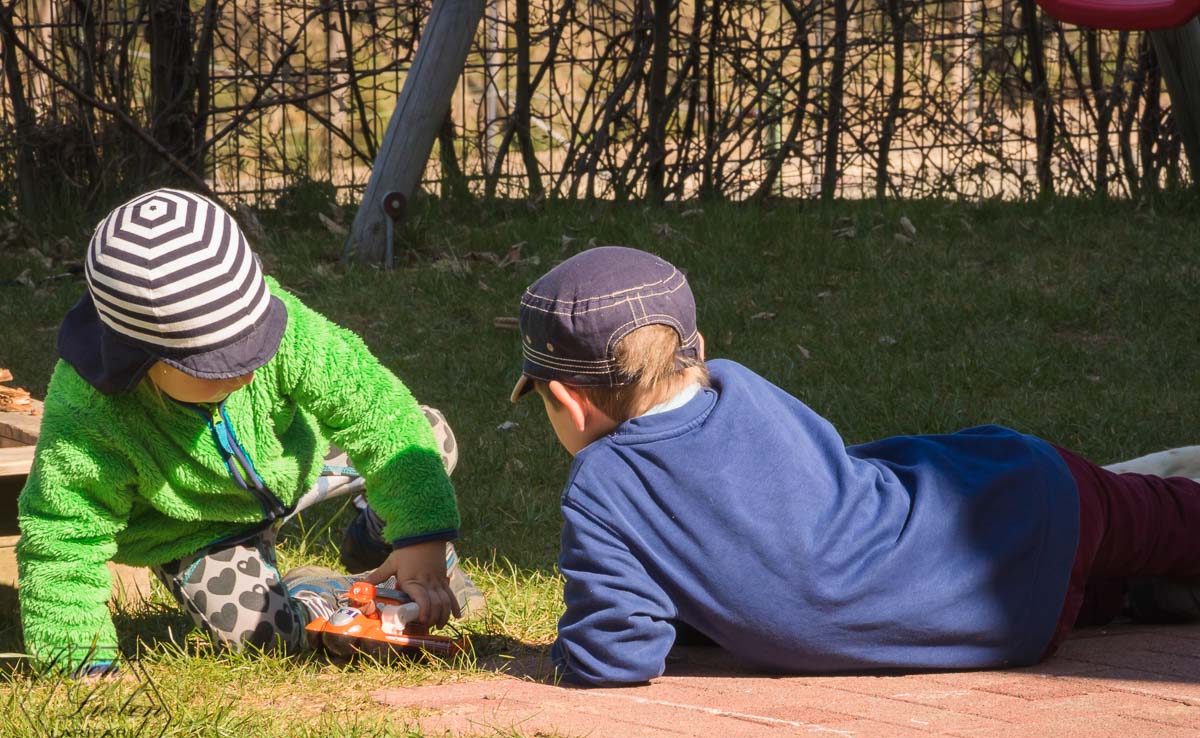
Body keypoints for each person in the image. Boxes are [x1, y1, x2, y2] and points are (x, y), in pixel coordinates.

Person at [508, 246, 1200, 687]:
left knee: (1111, 555)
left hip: (1005, 622)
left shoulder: (603, 487)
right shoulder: (737, 388)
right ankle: (1147, 580)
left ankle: (1142, 589)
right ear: (698, 349)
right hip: (1023, 509)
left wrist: (558, 659)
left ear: (567, 399)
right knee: (1156, 522)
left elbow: (617, 653)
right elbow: (811, 499)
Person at [17, 188, 482, 675]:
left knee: (425, 438)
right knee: (262, 636)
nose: (249, 369)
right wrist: (81, 663)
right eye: (221, 365)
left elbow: (377, 408)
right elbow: (62, 537)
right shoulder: (91, 416)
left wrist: (422, 540)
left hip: (293, 467)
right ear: (142, 360)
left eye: (256, 343)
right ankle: (320, 595)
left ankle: (379, 535)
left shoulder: (276, 320)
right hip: (197, 528)